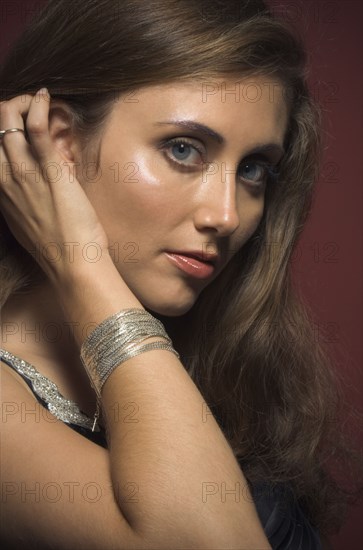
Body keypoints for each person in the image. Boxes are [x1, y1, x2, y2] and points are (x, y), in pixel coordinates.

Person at [0, 1, 361, 548]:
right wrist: (80, 261)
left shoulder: (228, 368)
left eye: (253, 169)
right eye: (183, 149)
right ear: (60, 145)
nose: (227, 215)